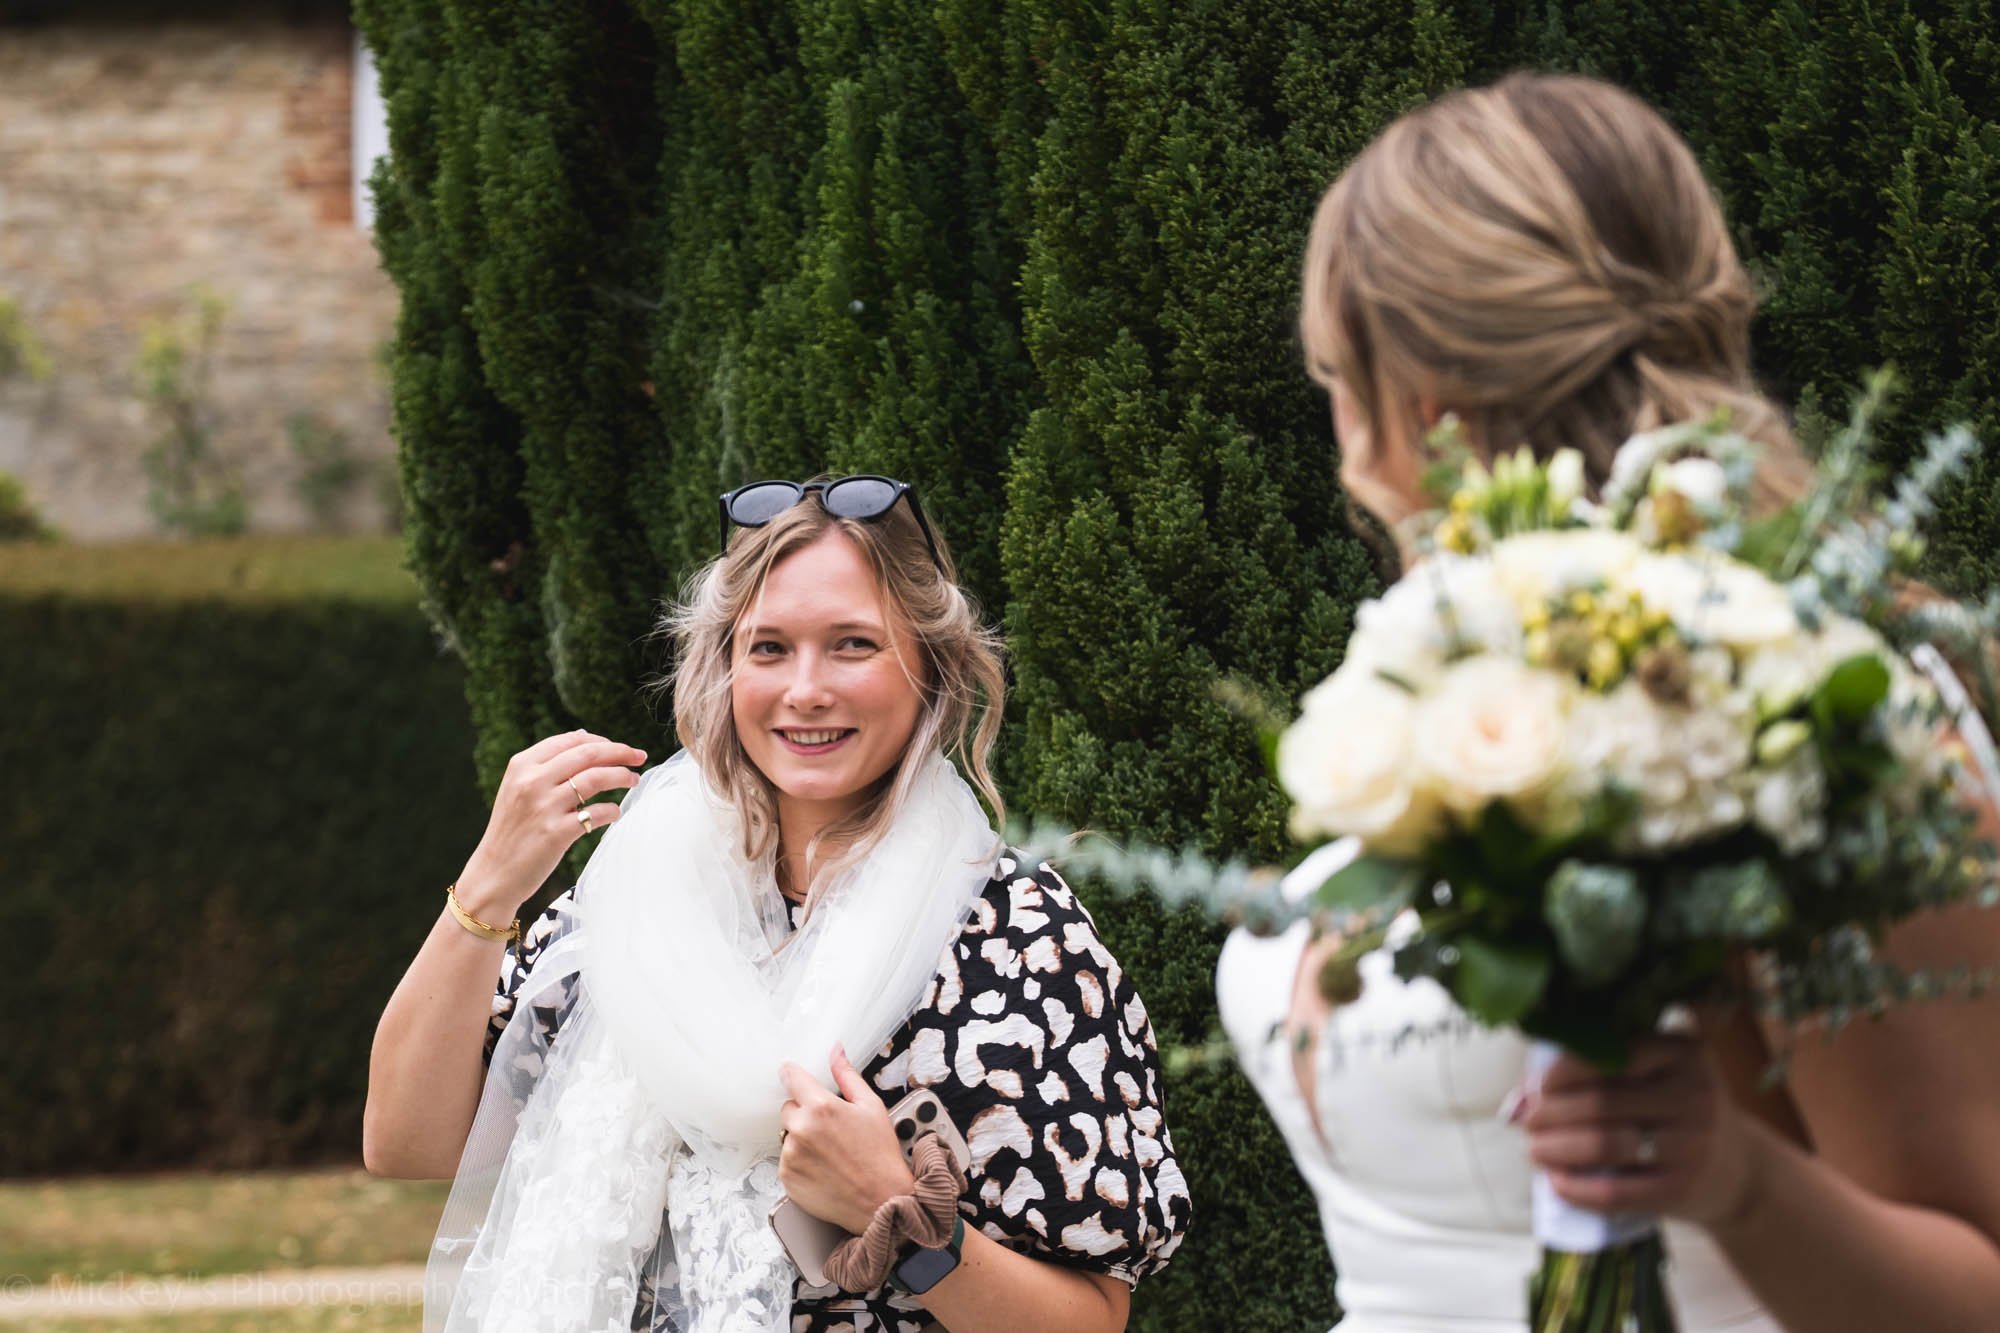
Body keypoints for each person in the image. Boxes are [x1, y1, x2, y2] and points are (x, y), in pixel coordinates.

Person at [1217, 72, 2000, 1332]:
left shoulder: (1803, 709)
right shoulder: (1441, 681)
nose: (1345, 444)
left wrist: (1735, 1181)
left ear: (1418, 399)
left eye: (1335, 376)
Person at [366, 475, 1190, 1332]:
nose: (805, 688)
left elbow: (1093, 1316)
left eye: (853, 645)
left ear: (931, 667)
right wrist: (493, 879)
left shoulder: (1020, 936)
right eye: (768, 648)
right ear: (724, 666)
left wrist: (896, 1208)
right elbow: (408, 1139)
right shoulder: (641, 897)